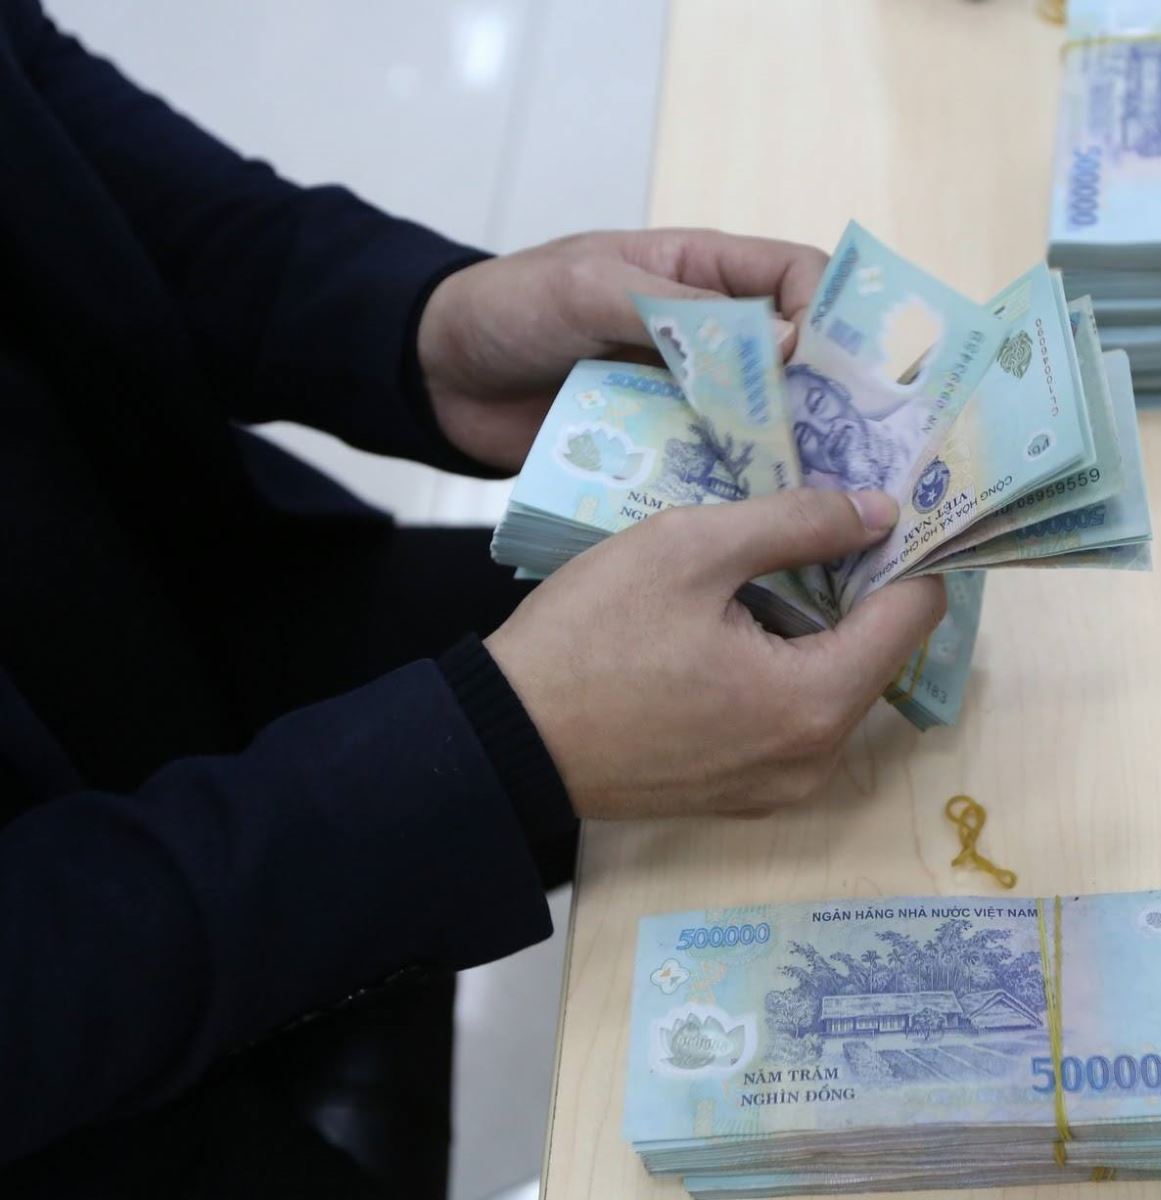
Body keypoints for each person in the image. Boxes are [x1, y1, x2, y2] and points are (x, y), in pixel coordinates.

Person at [0, 4, 946, 1197]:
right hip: (56, 1049)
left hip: (181, 596)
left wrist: (424, 323)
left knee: (891, 709)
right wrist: (498, 751)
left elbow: (42, 119)